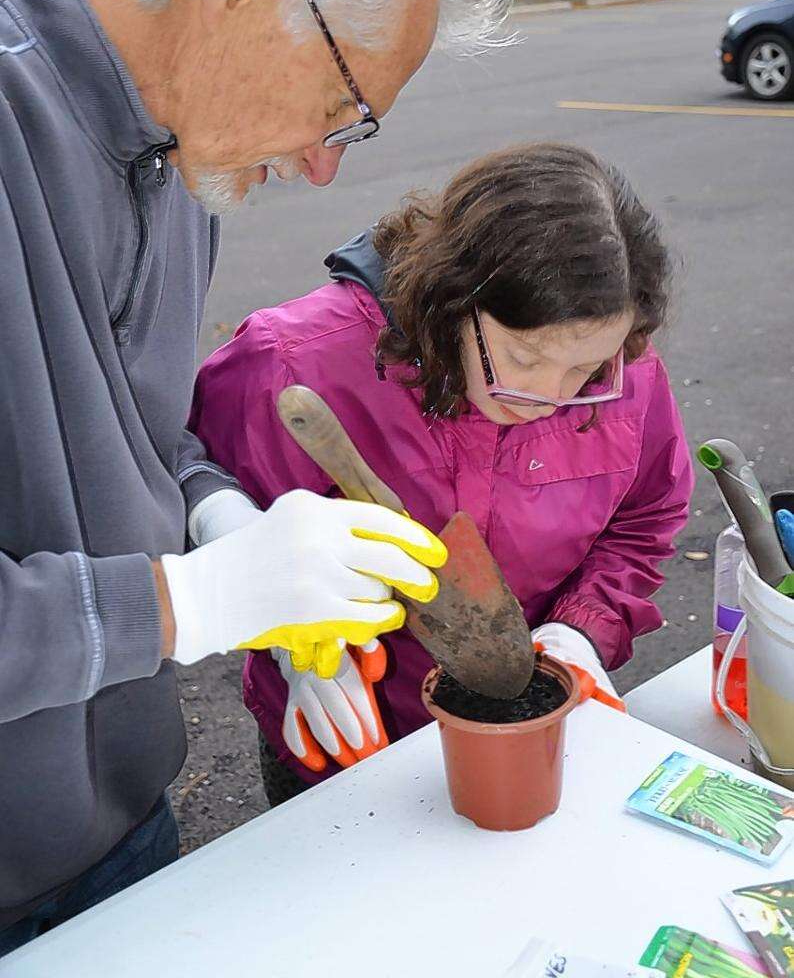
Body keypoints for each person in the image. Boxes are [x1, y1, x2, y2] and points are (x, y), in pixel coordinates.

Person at [0, 0, 509, 951]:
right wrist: (190, 603)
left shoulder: (180, 149)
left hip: (118, 824)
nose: (323, 166)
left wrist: (220, 517)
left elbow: (122, 433)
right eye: (341, 107)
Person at [191, 143, 695, 806]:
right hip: (349, 735)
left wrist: (579, 630)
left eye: (584, 369)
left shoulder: (624, 372)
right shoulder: (290, 362)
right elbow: (194, 500)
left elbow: (645, 519)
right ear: (455, 297)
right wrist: (289, 637)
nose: (550, 396)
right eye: (524, 357)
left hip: (530, 728)